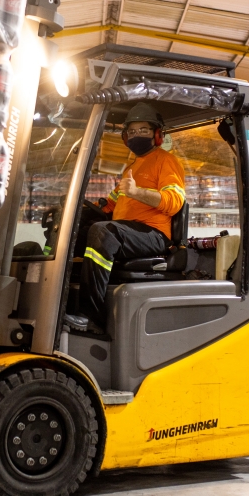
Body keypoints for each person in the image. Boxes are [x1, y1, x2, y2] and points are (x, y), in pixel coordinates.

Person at [66, 102, 186, 334]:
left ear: (157, 134)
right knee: (75, 232)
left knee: (103, 232)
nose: (136, 135)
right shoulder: (132, 166)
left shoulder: (166, 161)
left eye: (143, 130)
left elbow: (174, 202)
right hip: (127, 229)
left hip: (153, 233)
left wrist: (136, 192)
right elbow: (112, 202)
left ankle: (91, 317)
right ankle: (62, 302)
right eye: (131, 131)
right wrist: (84, 208)